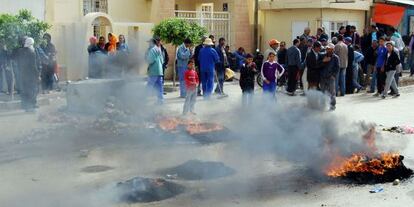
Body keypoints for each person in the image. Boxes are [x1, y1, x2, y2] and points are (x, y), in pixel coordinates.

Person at [16, 38, 39, 112]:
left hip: (22, 74)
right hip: (31, 75)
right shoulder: (31, 52)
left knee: (24, 90)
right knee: (32, 90)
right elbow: (33, 66)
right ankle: (31, 107)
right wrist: (37, 75)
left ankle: (25, 106)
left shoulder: (20, 51)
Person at [145, 36, 164, 105]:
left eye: (149, 42)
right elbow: (162, 60)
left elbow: (150, 60)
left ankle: (144, 100)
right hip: (160, 71)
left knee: (149, 85)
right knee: (159, 87)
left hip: (153, 71)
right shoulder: (158, 49)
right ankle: (160, 100)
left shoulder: (152, 50)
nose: (148, 44)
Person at [321, 43, 340, 111]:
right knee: (323, 91)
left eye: (329, 49)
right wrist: (324, 61)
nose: (327, 50)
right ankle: (323, 105)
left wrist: (333, 75)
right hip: (323, 77)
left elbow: (337, 68)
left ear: (332, 49)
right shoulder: (323, 56)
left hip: (330, 77)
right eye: (327, 49)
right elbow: (319, 65)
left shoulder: (336, 58)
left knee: (332, 92)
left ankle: (332, 105)